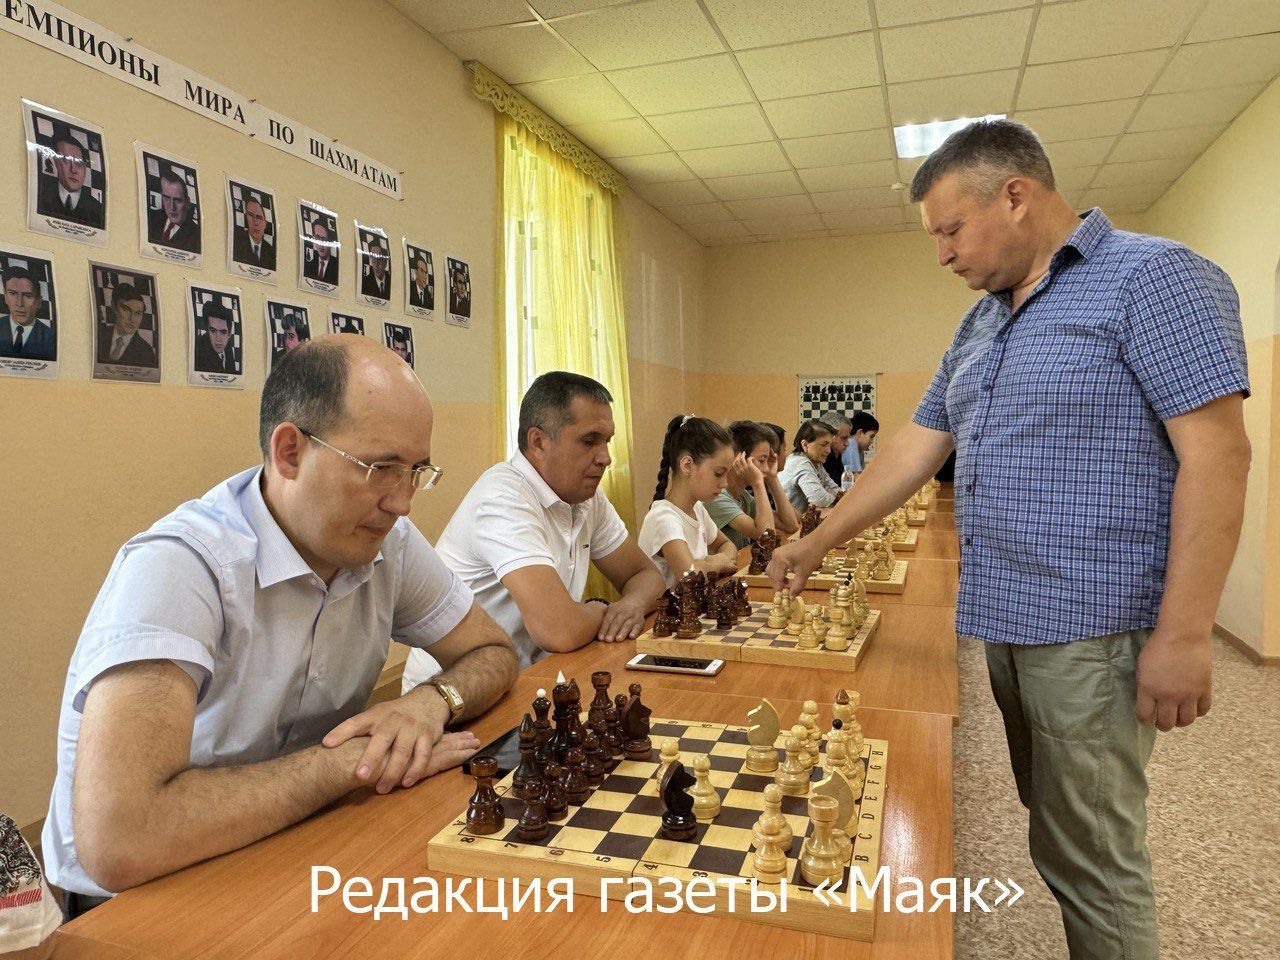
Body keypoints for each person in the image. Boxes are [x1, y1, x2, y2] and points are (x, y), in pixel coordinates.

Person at [767, 119, 1250, 960]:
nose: (943, 253)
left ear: (1016, 196)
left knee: (1094, 859)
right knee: (1057, 830)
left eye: (951, 229)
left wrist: (1183, 634)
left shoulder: (1154, 278)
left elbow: (1218, 456)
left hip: (1094, 626)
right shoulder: (982, 323)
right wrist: (819, 540)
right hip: (1010, 621)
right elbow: (917, 449)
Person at [43, 335, 520, 915]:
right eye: (380, 468)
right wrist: (351, 763)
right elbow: (121, 840)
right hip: (140, 901)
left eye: (417, 471)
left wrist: (430, 702)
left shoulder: (384, 542)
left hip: (297, 841)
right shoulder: (180, 567)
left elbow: (494, 652)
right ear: (289, 452)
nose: (403, 503)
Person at [403, 372, 665, 682]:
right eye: (588, 441)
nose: (605, 458)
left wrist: (632, 604)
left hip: (530, 677)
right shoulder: (503, 497)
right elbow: (559, 630)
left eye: (606, 441)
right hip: (455, 689)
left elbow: (645, 574)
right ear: (538, 442)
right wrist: (601, 608)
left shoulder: (586, 497)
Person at [638, 415, 738, 589]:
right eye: (718, 473)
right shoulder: (664, 517)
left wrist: (709, 563)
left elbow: (727, 545)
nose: (725, 484)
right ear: (687, 465)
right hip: (666, 614)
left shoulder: (697, 508)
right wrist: (717, 563)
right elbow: (690, 576)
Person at [705, 419, 799, 548]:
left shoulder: (743, 496)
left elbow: (790, 525)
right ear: (738, 459)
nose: (766, 468)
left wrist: (772, 477)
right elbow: (766, 535)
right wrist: (758, 483)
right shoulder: (717, 497)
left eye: (768, 460)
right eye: (762, 460)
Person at [36, 129, 104, 228]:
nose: (73, 170)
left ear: (85, 168)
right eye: (66, 160)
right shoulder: (42, 195)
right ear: (56, 162)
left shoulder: (97, 209)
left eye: (79, 163)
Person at [778, 419, 840, 511]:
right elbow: (819, 499)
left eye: (830, 445)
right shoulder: (799, 462)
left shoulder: (815, 462)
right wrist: (839, 498)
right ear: (805, 445)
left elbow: (832, 487)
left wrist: (842, 495)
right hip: (790, 523)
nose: (829, 450)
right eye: (824, 444)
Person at [0, 266, 55, 360]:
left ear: (39, 302)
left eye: (27, 296)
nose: (19, 303)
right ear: (5, 297)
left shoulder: (51, 337)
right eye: (12, 293)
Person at [96, 283, 156, 367]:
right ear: (114, 307)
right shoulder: (99, 335)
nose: (132, 319)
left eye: (138, 313)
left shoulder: (146, 352)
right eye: (126, 310)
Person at [147, 170, 199, 252]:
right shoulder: (151, 217)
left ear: (188, 202)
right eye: (166, 198)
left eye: (178, 200)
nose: (172, 207)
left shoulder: (196, 235)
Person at [193, 302, 238, 374]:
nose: (218, 338)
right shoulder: (199, 352)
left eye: (223, 332)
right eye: (213, 331)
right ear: (207, 330)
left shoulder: (227, 346)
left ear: (229, 333)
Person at [233, 196, 275, 270]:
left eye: (259, 217)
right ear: (246, 218)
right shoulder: (236, 242)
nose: (255, 222)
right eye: (251, 215)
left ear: (265, 224)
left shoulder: (271, 251)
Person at [818, 412, 853, 485]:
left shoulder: (837, 455)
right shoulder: (820, 459)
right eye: (843, 438)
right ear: (828, 435)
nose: (847, 443)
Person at [841, 411, 879, 478]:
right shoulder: (851, 444)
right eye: (871, 436)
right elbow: (856, 477)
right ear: (860, 433)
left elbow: (861, 475)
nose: (872, 441)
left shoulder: (860, 449)